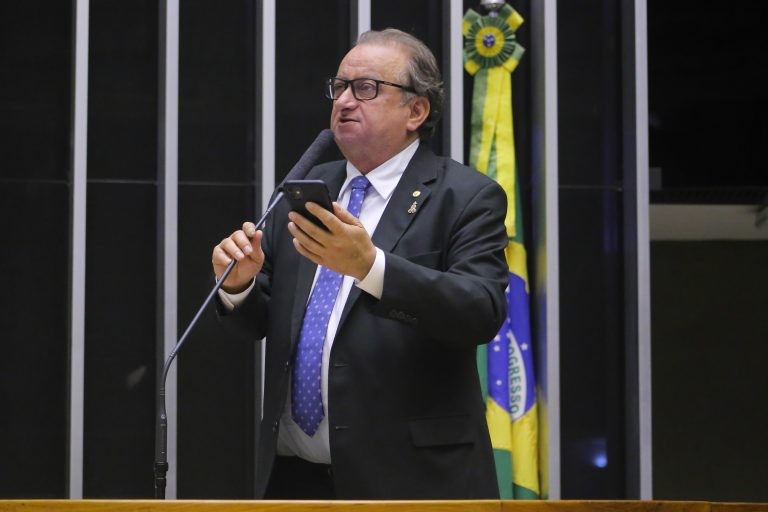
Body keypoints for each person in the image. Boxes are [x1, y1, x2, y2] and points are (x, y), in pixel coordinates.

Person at [212, 28, 508, 500]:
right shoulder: (305, 189)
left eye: (366, 88)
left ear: (416, 110)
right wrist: (240, 286)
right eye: (339, 87)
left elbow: (480, 310)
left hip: (410, 483)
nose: (344, 101)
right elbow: (260, 320)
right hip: (293, 481)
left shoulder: (465, 197)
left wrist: (371, 267)